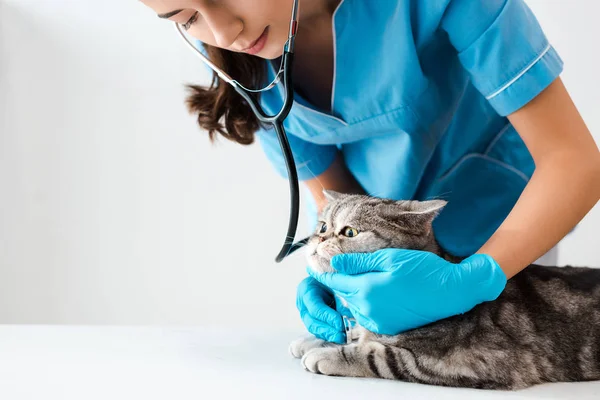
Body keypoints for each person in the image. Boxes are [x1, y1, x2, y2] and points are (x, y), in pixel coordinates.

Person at [140, 0, 600, 343]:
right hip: (386, 252)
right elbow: (334, 200)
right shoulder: (241, 58)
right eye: (185, 17)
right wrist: (336, 271)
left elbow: (574, 161)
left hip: (509, 225)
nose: (225, 30)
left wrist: (472, 279)